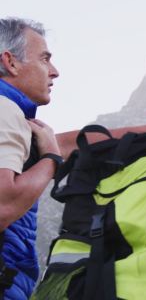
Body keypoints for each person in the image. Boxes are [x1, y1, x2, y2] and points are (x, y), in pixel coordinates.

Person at [0, 18, 62, 300]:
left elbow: (74, 141)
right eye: (44, 59)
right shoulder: (5, 108)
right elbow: (2, 205)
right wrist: (50, 158)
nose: (54, 71)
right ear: (10, 62)